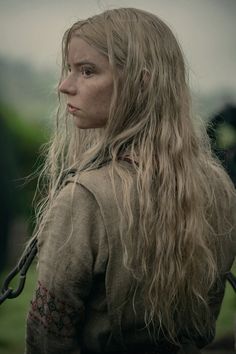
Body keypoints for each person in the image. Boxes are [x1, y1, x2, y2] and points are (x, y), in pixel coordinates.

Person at [25, 7, 236, 354]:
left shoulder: (85, 198)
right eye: (69, 70)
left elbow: (46, 340)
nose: (65, 86)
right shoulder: (219, 186)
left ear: (142, 83)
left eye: (87, 71)